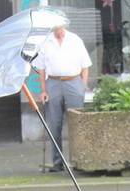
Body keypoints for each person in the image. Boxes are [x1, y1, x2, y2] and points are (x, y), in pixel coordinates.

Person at [33, 17, 92, 172]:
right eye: (55, 29)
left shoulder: (75, 40)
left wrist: (83, 85)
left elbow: (85, 65)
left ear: (64, 27)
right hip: (53, 82)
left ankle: (79, 161)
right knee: (55, 124)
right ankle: (57, 162)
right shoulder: (46, 43)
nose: (58, 32)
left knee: (76, 123)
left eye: (60, 29)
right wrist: (44, 90)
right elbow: (41, 69)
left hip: (73, 81)